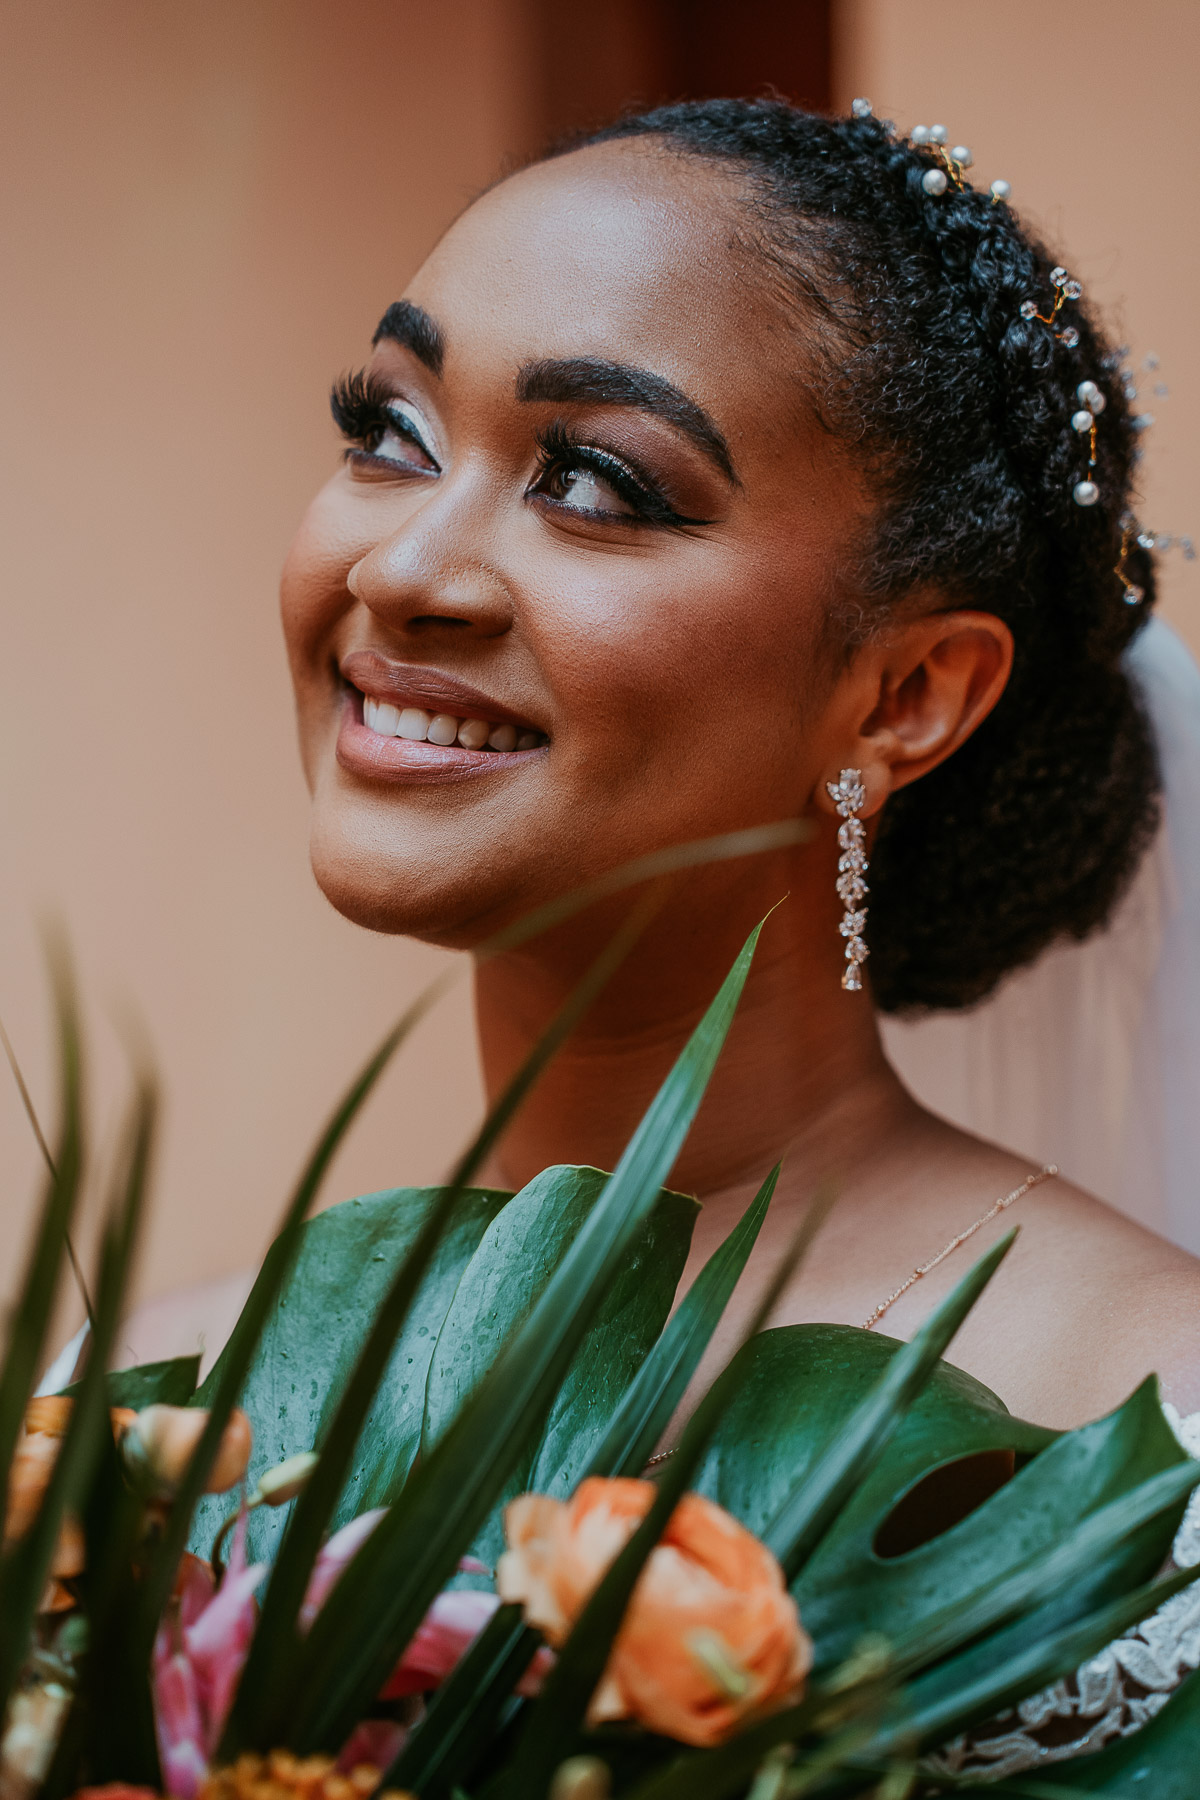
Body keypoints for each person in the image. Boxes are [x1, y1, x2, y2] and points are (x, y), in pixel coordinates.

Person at [112, 97, 1200, 1777]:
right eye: (387, 430)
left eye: (597, 481)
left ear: (907, 694)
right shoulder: (117, 1410)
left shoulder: (1145, 1455)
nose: (404, 567)